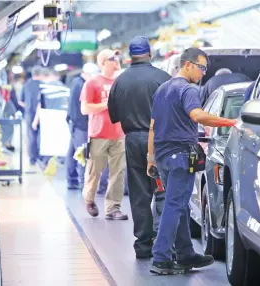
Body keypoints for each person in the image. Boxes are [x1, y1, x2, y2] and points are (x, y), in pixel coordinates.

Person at [147, 47, 237, 274]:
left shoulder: (162, 89)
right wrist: (232, 123)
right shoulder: (188, 90)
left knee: (179, 206)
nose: (203, 73)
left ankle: (185, 253)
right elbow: (197, 115)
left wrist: (151, 158)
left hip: (164, 156)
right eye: (201, 67)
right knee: (174, 205)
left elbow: (153, 126)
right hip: (180, 156)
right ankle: (161, 258)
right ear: (187, 65)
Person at [108, 36, 171, 258]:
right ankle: (163, 241)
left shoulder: (120, 81)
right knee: (163, 190)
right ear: (150, 52)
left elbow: (113, 116)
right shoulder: (163, 78)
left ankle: (143, 245)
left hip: (133, 140)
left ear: (130, 55)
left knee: (139, 194)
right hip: (160, 141)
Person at [80, 49, 128, 221]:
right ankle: (89, 199)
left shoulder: (122, 83)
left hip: (119, 134)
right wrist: (106, 104)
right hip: (98, 134)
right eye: (112, 58)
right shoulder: (93, 83)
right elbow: (85, 108)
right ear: (102, 62)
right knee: (95, 172)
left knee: (118, 172)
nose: (117, 60)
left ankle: (113, 208)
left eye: (118, 57)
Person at [65, 63, 100, 190]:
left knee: (73, 151)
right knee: (82, 152)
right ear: (86, 74)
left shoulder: (76, 82)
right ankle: (83, 183)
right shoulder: (83, 85)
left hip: (75, 122)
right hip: (81, 123)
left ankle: (72, 180)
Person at [19, 66, 47, 169]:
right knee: (42, 136)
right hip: (42, 113)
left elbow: (20, 101)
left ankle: (32, 159)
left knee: (31, 137)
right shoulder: (43, 85)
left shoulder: (26, 85)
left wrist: (28, 107)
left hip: (29, 114)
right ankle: (42, 158)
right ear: (40, 74)